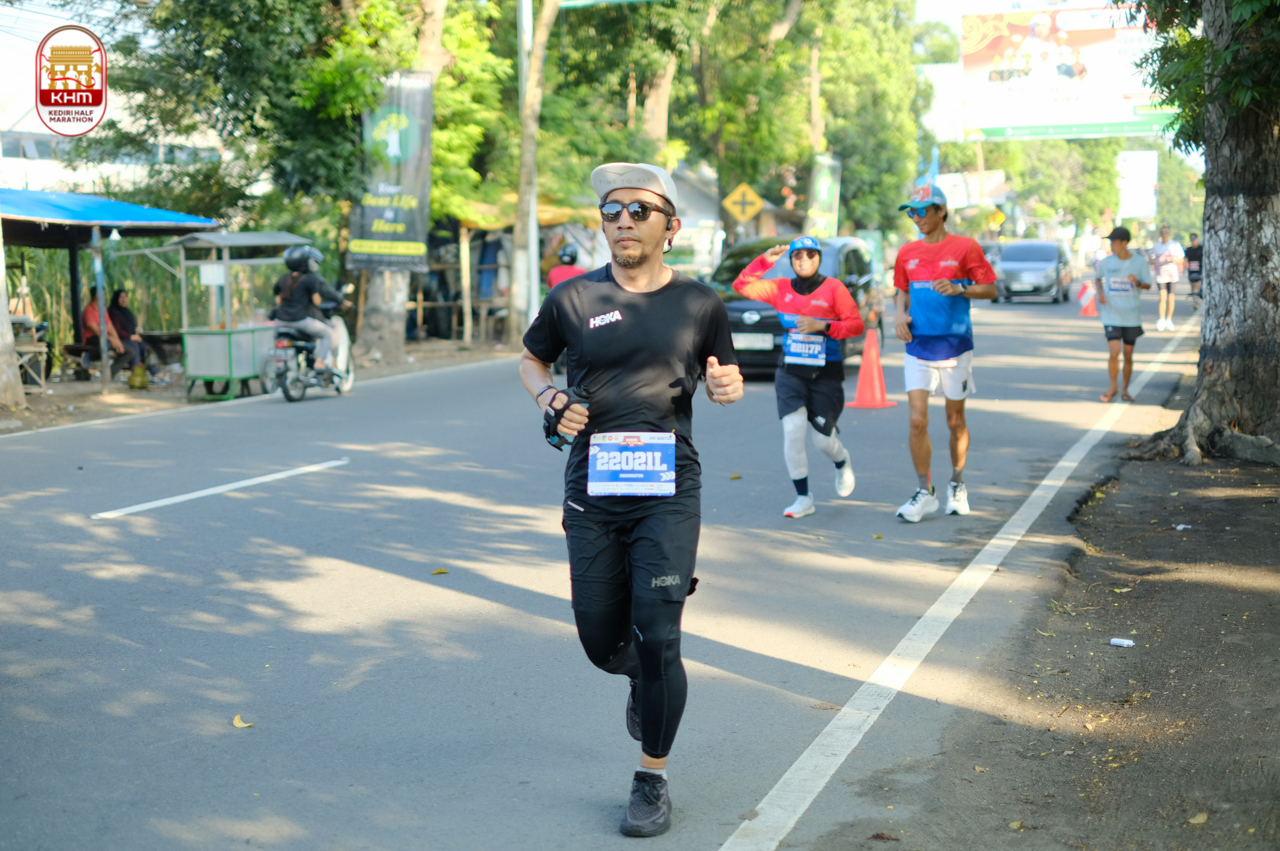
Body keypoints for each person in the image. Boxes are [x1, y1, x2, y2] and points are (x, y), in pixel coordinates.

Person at [518, 161, 744, 837]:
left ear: (670, 227)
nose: (622, 221)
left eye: (639, 210)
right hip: (592, 482)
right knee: (599, 639)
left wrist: (728, 387)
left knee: (659, 632)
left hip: (668, 485)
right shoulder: (573, 298)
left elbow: (725, 374)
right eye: (611, 211)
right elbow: (531, 359)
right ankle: (641, 674)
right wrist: (549, 396)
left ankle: (652, 776)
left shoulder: (701, 304)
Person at [732, 236, 864, 518]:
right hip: (790, 371)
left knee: (823, 441)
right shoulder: (780, 288)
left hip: (826, 372)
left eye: (810, 254)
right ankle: (803, 498)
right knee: (793, 431)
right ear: (791, 260)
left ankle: (842, 462)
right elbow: (741, 285)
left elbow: (856, 325)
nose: (803, 259)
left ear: (819, 257)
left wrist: (823, 325)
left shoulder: (834, 288)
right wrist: (765, 261)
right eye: (797, 255)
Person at [891, 184, 997, 523]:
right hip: (918, 345)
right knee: (916, 420)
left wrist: (960, 288)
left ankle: (957, 483)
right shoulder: (907, 252)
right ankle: (924, 492)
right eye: (911, 212)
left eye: (922, 211)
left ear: (941, 211)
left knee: (955, 421)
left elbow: (991, 289)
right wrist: (899, 315)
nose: (916, 218)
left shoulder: (965, 247)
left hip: (954, 346)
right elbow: (901, 291)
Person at [1094, 226, 1154, 402]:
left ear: (1124, 243)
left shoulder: (1139, 262)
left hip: (1131, 316)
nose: (1111, 245)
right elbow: (1097, 278)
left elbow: (1148, 285)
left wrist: (1138, 283)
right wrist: (1100, 294)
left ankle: (1125, 390)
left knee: (1128, 354)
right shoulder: (1106, 262)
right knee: (1114, 352)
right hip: (1111, 315)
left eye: (1114, 242)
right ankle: (1113, 386)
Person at [272, 246, 346, 371]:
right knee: (327, 334)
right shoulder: (310, 279)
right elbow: (317, 301)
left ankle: (278, 364)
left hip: (280, 321)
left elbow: (278, 301)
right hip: (300, 321)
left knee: (278, 340)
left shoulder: (283, 278)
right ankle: (319, 362)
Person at [107, 290, 166, 384]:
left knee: (145, 347)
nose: (124, 299)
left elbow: (132, 327)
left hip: (131, 338)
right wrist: (131, 337)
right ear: (116, 298)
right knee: (134, 347)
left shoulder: (127, 312)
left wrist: (135, 335)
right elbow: (117, 331)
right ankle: (135, 371)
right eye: (121, 297)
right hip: (119, 339)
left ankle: (155, 373)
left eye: (125, 296)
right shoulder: (113, 312)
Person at [81, 288, 126, 373]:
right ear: (96, 296)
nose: (105, 297)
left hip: (105, 338)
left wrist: (117, 340)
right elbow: (96, 331)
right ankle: (89, 356)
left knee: (129, 350)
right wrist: (112, 339)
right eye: (103, 295)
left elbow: (110, 327)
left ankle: (111, 373)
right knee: (107, 343)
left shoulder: (103, 309)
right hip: (92, 339)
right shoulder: (89, 310)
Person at [1150, 225, 1184, 331]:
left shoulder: (1175, 245)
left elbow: (1181, 259)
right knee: (1162, 297)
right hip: (1161, 275)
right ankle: (1162, 319)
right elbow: (1150, 257)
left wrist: (1175, 260)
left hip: (1172, 275)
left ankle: (1169, 319)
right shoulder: (1156, 246)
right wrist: (1154, 262)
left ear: (1169, 233)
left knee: (1171, 297)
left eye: (1166, 231)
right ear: (1160, 234)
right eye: (1162, 231)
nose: (1164, 233)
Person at [1184, 233, 1203, 310]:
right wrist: (1185, 269)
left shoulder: (1201, 248)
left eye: (1194, 239)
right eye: (1191, 239)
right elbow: (1185, 260)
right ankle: (1194, 302)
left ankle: (1196, 302)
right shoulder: (1188, 250)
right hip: (1191, 271)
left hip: (1199, 271)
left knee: (1198, 287)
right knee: (1193, 287)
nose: (1193, 241)